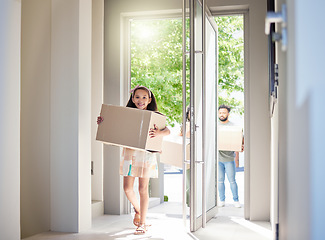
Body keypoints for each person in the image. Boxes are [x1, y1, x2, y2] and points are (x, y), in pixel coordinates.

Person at [97, 85, 170, 235]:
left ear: (149, 100)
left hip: (146, 156)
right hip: (129, 155)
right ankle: (138, 210)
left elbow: (168, 131)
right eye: (137, 97)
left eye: (144, 97)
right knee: (127, 188)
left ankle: (142, 223)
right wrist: (103, 123)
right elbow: (112, 127)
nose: (140, 100)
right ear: (132, 98)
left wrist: (159, 133)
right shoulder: (126, 115)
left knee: (143, 189)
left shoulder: (154, 115)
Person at [218, 104, 244, 208]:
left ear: (228, 113)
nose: (222, 115)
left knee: (232, 181)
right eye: (220, 113)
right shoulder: (216, 126)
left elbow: (240, 141)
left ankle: (236, 200)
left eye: (224, 113)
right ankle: (222, 200)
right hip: (218, 158)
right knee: (220, 181)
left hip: (229, 158)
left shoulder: (233, 127)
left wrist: (241, 147)